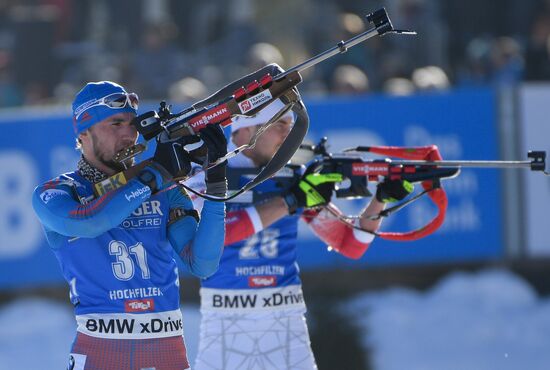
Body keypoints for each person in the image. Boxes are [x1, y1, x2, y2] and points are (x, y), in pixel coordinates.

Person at [187, 99, 413, 370]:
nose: (288, 134)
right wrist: (289, 201)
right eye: (279, 125)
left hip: (286, 320)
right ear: (244, 130)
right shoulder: (206, 178)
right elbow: (217, 238)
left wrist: (381, 199)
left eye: (291, 126)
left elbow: (349, 244)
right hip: (225, 319)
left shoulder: (293, 178)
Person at [32, 81, 228, 370]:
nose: (129, 133)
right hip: (101, 352)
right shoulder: (58, 192)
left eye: (132, 123)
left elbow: (202, 264)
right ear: (84, 132)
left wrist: (216, 186)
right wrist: (154, 177)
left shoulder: (163, 188)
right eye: (115, 123)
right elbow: (91, 221)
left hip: (167, 351)